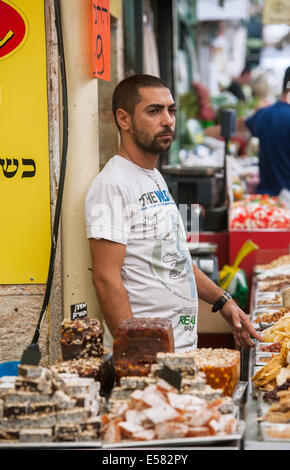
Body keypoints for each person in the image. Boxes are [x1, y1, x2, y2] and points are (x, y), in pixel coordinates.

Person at [85, 74, 262, 352]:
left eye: (171, 110)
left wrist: (223, 300)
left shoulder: (153, 176)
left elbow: (177, 258)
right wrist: (136, 354)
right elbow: (106, 280)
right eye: (154, 111)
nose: (168, 120)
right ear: (124, 119)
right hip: (148, 359)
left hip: (181, 350)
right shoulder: (111, 184)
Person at [206, 66, 290, 196]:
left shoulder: (265, 115)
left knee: (189, 214)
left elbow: (239, 124)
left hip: (267, 201)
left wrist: (205, 133)